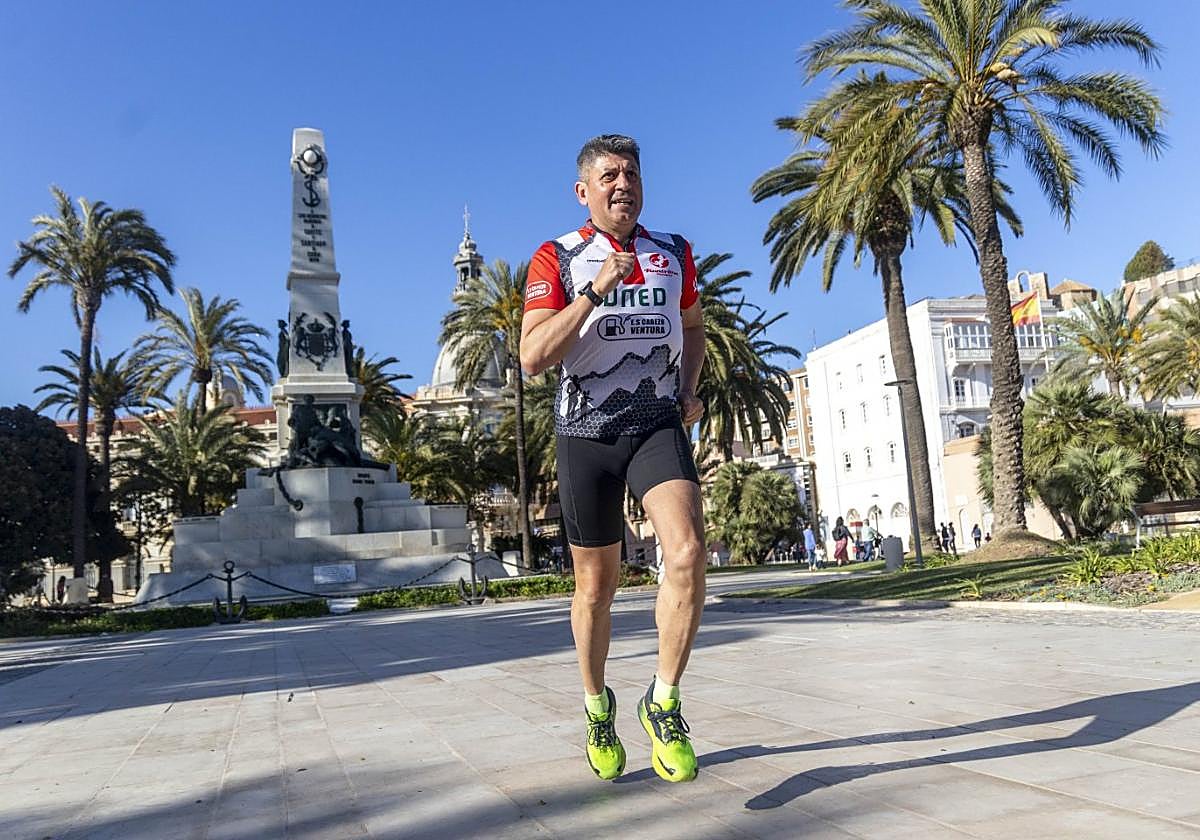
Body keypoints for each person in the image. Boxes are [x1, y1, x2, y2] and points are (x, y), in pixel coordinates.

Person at [520, 134, 705, 784]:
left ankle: (665, 699)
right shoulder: (558, 257)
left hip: (654, 423)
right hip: (585, 434)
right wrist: (596, 291)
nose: (622, 182)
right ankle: (599, 707)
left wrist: (687, 389)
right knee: (595, 589)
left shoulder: (674, 253)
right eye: (609, 174)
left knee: (684, 553)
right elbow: (533, 355)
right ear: (584, 190)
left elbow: (692, 326)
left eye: (631, 172)